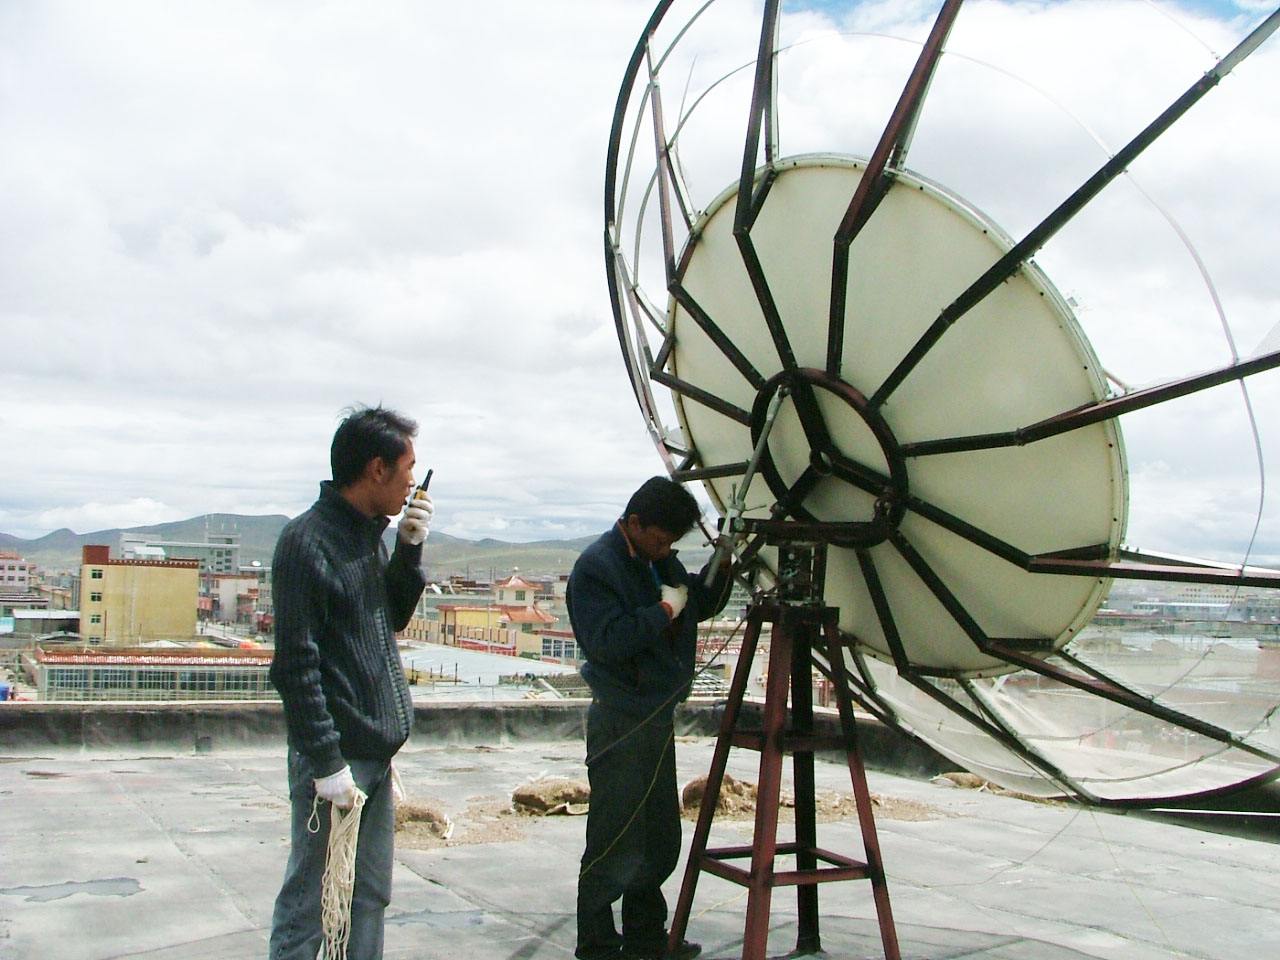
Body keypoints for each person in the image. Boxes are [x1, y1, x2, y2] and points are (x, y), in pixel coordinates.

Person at [267, 404, 433, 960]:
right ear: (377, 469)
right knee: (310, 905)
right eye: (407, 468)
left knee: (367, 897)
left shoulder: (369, 539)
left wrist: (408, 552)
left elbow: (390, 618)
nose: (413, 481)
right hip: (338, 761)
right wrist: (326, 764)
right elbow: (296, 665)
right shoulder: (306, 542)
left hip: (375, 758)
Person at [568, 476, 733, 960]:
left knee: (659, 835)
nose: (666, 549)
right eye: (660, 539)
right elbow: (608, 641)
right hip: (620, 719)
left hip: (655, 717)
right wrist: (663, 609)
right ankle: (597, 945)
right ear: (634, 523)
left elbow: (697, 603)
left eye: (671, 543)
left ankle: (645, 939)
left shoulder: (656, 556)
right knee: (613, 836)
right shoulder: (597, 567)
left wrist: (723, 560)